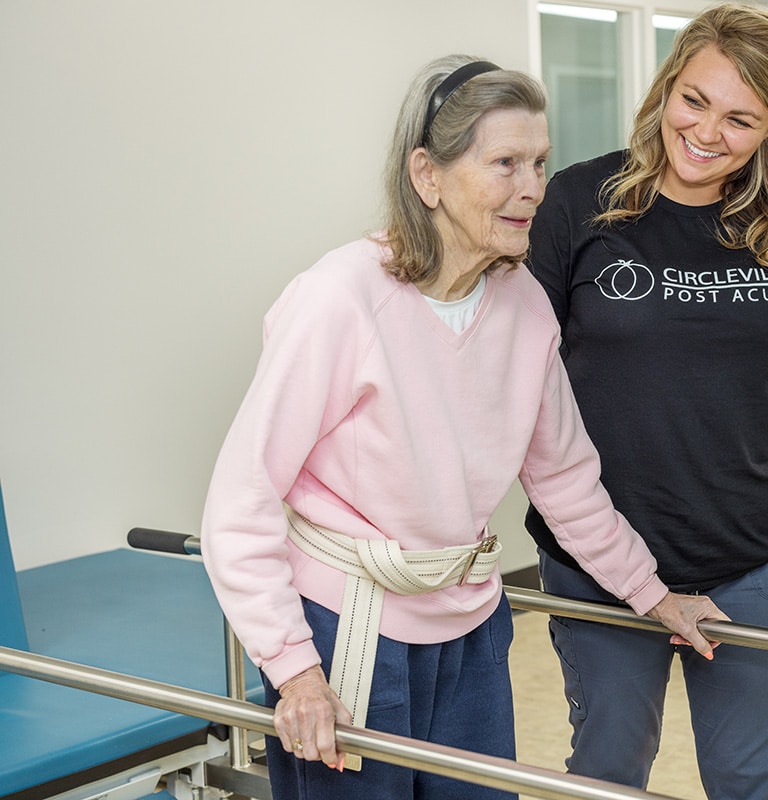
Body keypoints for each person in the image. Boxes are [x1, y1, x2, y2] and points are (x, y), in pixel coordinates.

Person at [199, 54, 726, 800]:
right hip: (348, 630)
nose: (533, 189)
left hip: (472, 621)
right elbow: (241, 502)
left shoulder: (524, 309)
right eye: (505, 162)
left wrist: (653, 592)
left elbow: (566, 481)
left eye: (540, 162)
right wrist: (295, 671)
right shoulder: (339, 300)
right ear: (428, 175)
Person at [524, 5, 768, 799]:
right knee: (607, 769)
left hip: (752, 551)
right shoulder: (578, 202)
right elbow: (514, 374)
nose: (705, 132)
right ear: (667, 87)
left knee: (749, 776)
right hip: (602, 551)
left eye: (740, 118)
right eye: (693, 100)